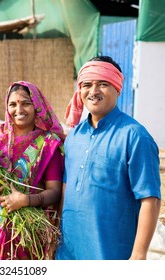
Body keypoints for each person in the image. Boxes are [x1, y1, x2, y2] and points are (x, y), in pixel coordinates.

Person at [56, 56, 162, 260]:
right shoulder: (74, 137)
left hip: (112, 254)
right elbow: (65, 190)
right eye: (87, 84)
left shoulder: (135, 136)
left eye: (103, 84)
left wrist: (138, 255)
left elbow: (150, 199)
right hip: (68, 254)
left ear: (117, 88)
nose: (94, 91)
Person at [0, 81, 65, 260]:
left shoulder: (48, 144)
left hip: (28, 235)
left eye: (26, 103)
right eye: (13, 104)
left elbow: (55, 192)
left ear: (37, 106)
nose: (19, 109)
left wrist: (26, 201)